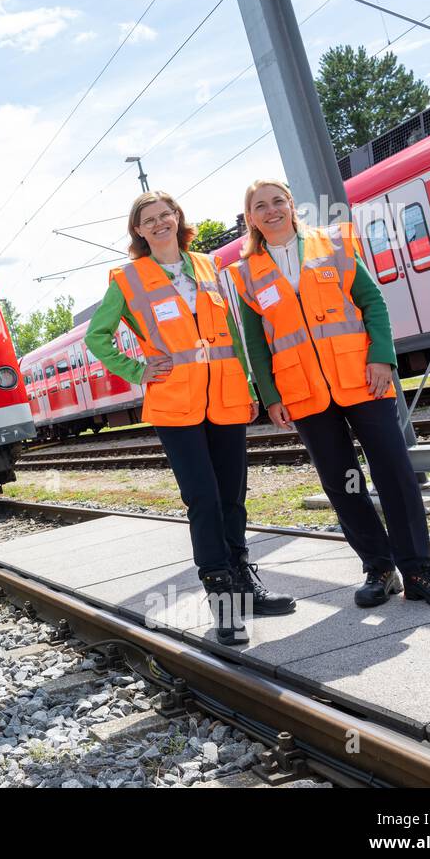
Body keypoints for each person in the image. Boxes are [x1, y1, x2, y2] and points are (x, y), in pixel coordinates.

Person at [227, 179, 430, 608]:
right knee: (341, 482)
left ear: (291, 205)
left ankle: (418, 571)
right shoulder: (245, 274)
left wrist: (381, 357)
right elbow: (256, 342)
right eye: (259, 206)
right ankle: (378, 568)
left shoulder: (333, 243)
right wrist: (270, 395)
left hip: (362, 377)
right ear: (251, 218)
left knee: (393, 471)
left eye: (278, 201)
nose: (271, 210)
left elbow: (372, 302)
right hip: (303, 391)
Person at [85, 190, 295, 645]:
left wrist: (249, 384)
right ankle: (224, 604)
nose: (160, 223)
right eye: (149, 219)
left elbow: (234, 333)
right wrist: (137, 369)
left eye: (167, 215)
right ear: (138, 230)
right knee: (203, 499)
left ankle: (245, 585)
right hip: (175, 405)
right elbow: (97, 338)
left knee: (233, 497)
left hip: (224, 397)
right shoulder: (127, 279)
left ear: (178, 218)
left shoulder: (208, 266)